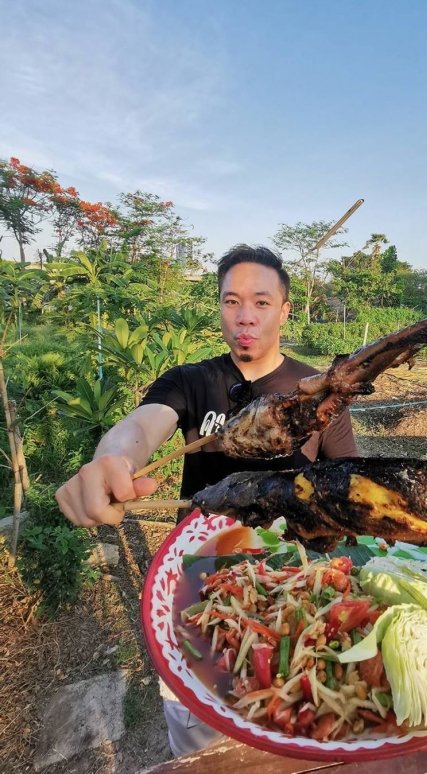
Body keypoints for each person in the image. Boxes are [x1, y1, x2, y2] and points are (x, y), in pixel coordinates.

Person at [55, 244, 358, 757]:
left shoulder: (318, 393)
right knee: (194, 721)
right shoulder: (192, 381)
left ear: (285, 311)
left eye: (261, 303)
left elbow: (347, 482)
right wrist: (112, 460)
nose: (245, 317)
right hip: (203, 579)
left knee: (292, 726)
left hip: (294, 580)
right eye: (231, 301)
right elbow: (140, 426)